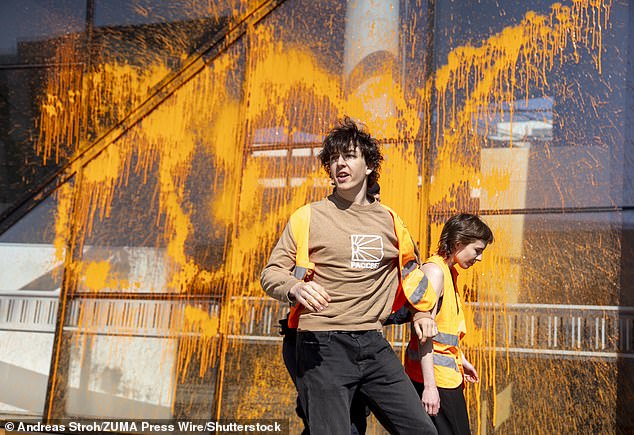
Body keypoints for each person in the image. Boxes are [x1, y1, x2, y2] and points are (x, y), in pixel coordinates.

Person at [261, 117, 438, 434]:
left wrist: (422, 311)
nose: (340, 164)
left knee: (422, 430)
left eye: (350, 156)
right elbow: (272, 273)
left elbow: (413, 273)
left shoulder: (391, 221)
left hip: (373, 344)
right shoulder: (308, 216)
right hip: (322, 346)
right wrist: (294, 288)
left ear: (369, 165)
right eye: (333, 159)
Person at [404, 213, 494, 435]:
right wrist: (430, 387)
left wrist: (460, 359)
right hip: (437, 381)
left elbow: (443, 330)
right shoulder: (435, 272)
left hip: (444, 377)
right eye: (477, 250)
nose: (479, 258)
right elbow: (424, 333)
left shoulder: (448, 272)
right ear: (458, 243)